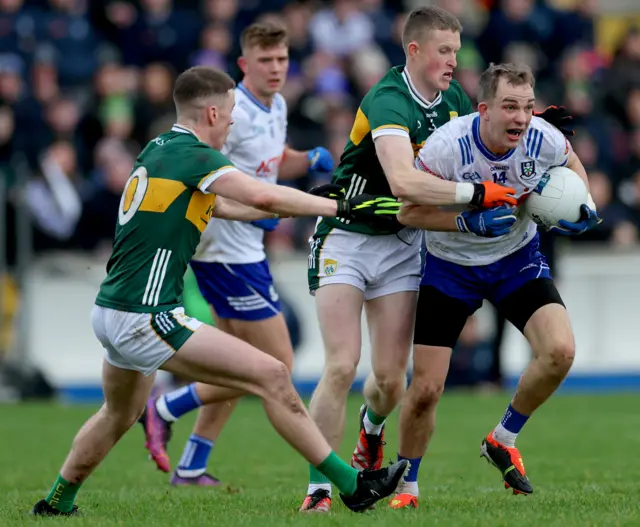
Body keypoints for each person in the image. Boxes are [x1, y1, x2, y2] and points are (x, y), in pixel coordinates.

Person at [31, 65, 409, 517]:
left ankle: (56, 502)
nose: (233, 121)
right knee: (273, 375)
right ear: (211, 112)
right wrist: (340, 206)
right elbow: (264, 196)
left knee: (118, 414)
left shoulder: (158, 148)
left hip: (113, 310)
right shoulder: (196, 157)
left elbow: (224, 203)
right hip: (149, 315)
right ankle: (352, 485)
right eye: (230, 113)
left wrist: (272, 212)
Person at [300, 6, 521, 512]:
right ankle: (317, 489)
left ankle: (370, 429)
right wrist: (474, 197)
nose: (453, 61)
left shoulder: (458, 101)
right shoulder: (389, 98)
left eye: (456, 52)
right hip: (347, 238)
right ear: (414, 51)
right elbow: (403, 182)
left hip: (402, 244)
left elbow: (484, 156)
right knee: (340, 364)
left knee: (389, 380)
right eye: (444, 51)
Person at [392, 62, 600, 507]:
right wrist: (466, 221)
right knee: (426, 390)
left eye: (527, 107)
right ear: (484, 110)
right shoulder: (447, 147)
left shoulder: (543, 136)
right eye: (510, 107)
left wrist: (583, 205)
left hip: (515, 260)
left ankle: (502, 438)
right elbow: (406, 212)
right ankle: (407, 484)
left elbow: (574, 167)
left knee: (560, 352)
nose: (522, 118)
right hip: (449, 268)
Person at [138, 22, 336, 487]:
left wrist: (305, 160)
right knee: (276, 367)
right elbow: (214, 179)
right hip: (226, 252)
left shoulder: (278, 105)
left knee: (238, 363)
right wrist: (254, 211)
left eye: (282, 59)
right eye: (265, 60)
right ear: (244, 63)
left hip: (248, 247)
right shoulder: (233, 111)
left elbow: (269, 159)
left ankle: (189, 467)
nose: (275, 68)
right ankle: (167, 408)